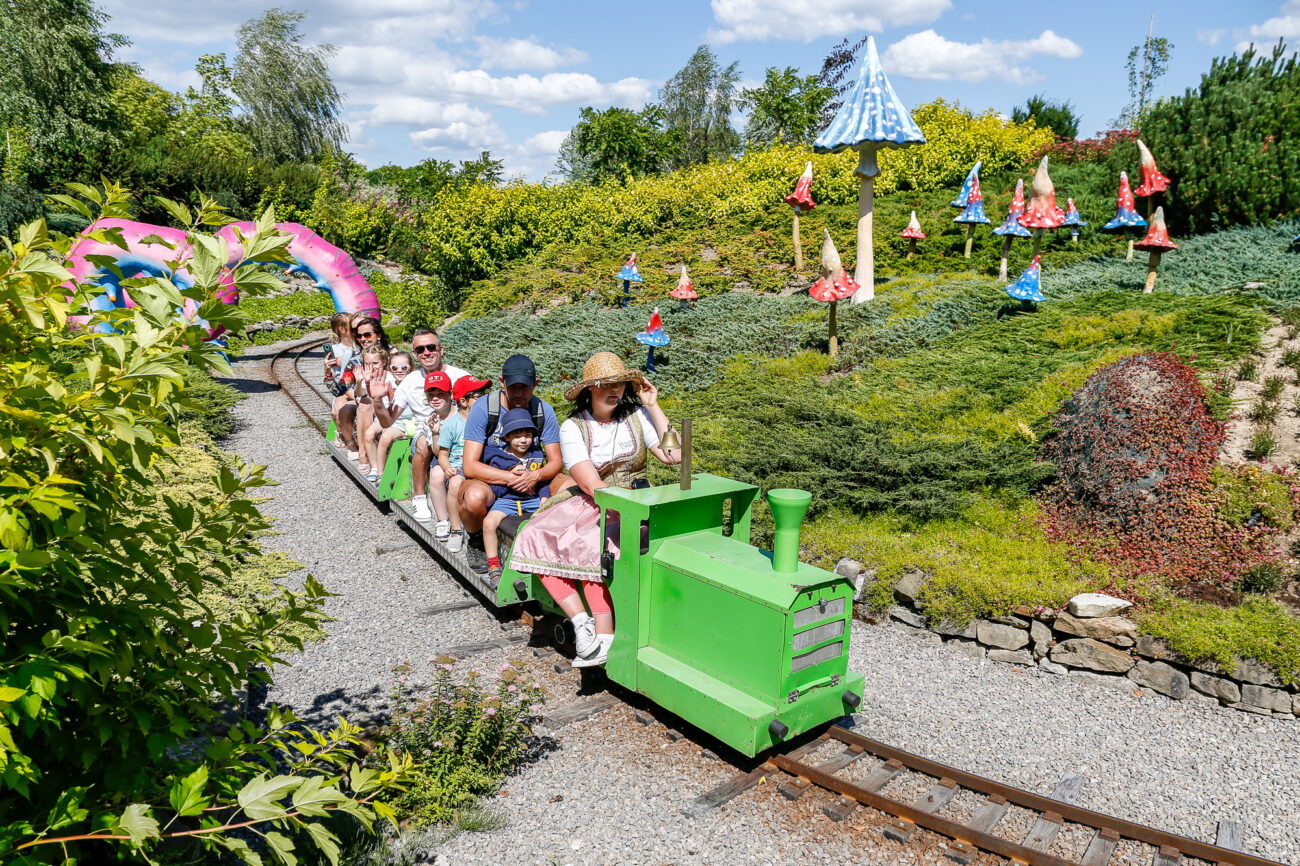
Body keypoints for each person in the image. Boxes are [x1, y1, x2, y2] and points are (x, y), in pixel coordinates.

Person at [509, 353, 679, 667]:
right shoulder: (574, 427)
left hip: (638, 495)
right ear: (590, 388)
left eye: (620, 383)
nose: (615, 390)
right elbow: (592, 484)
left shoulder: (638, 415)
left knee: (591, 543)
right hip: (597, 497)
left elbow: (675, 456)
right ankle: (582, 622)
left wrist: (654, 405)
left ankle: (605, 636)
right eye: (606, 384)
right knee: (536, 534)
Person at [460, 354, 564, 574]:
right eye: (513, 387)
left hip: (531, 477)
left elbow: (556, 462)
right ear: (501, 382)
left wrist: (535, 476)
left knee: (569, 486)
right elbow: (469, 465)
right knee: (474, 498)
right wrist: (511, 477)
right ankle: (476, 538)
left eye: (524, 387)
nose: (518, 394)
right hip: (491, 477)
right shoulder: (484, 408)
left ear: (535, 384)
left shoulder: (542, 411)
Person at [371, 328, 468, 517]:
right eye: (421, 349)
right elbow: (387, 421)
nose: (427, 352)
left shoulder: (460, 376)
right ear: (415, 354)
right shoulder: (410, 381)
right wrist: (376, 400)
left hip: (459, 434)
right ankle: (419, 497)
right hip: (427, 433)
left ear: (441, 349)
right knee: (423, 442)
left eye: (431, 347)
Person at [481, 408, 551, 581]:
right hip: (507, 500)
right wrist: (511, 473)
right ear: (507, 437)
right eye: (518, 436)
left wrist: (544, 496)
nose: (523, 440)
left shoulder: (536, 454)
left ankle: (546, 560)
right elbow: (494, 483)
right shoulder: (499, 457)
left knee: (549, 519)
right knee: (489, 523)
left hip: (531, 499)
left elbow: (542, 479)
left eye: (527, 435)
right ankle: (493, 563)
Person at [436, 375, 492, 552]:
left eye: (485, 394)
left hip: (480, 465)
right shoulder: (452, 425)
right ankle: (456, 530)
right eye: (478, 395)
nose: (484, 399)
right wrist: (447, 468)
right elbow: (443, 454)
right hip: (458, 466)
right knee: (454, 483)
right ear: (463, 401)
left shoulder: (488, 422)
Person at [335, 317, 390, 460]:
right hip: (362, 396)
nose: (362, 339)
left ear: (378, 335)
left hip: (389, 398)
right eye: (359, 336)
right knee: (356, 407)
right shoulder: (355, 359)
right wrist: (363, 398)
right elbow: (345, 385)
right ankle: (358, 449)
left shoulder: (393, 355)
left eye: (367, 335)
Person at [361, 349, 416, 483]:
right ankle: (375, 467)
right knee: (369, 434)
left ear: (411, 368)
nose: (399, 370)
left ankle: (381, 474)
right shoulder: (389, 380)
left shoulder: (414, 382)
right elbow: (371, 396)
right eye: (394, 368)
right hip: (391, 417)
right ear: (390, 369)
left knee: (385, 437)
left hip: (408, 421)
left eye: (404, 367)